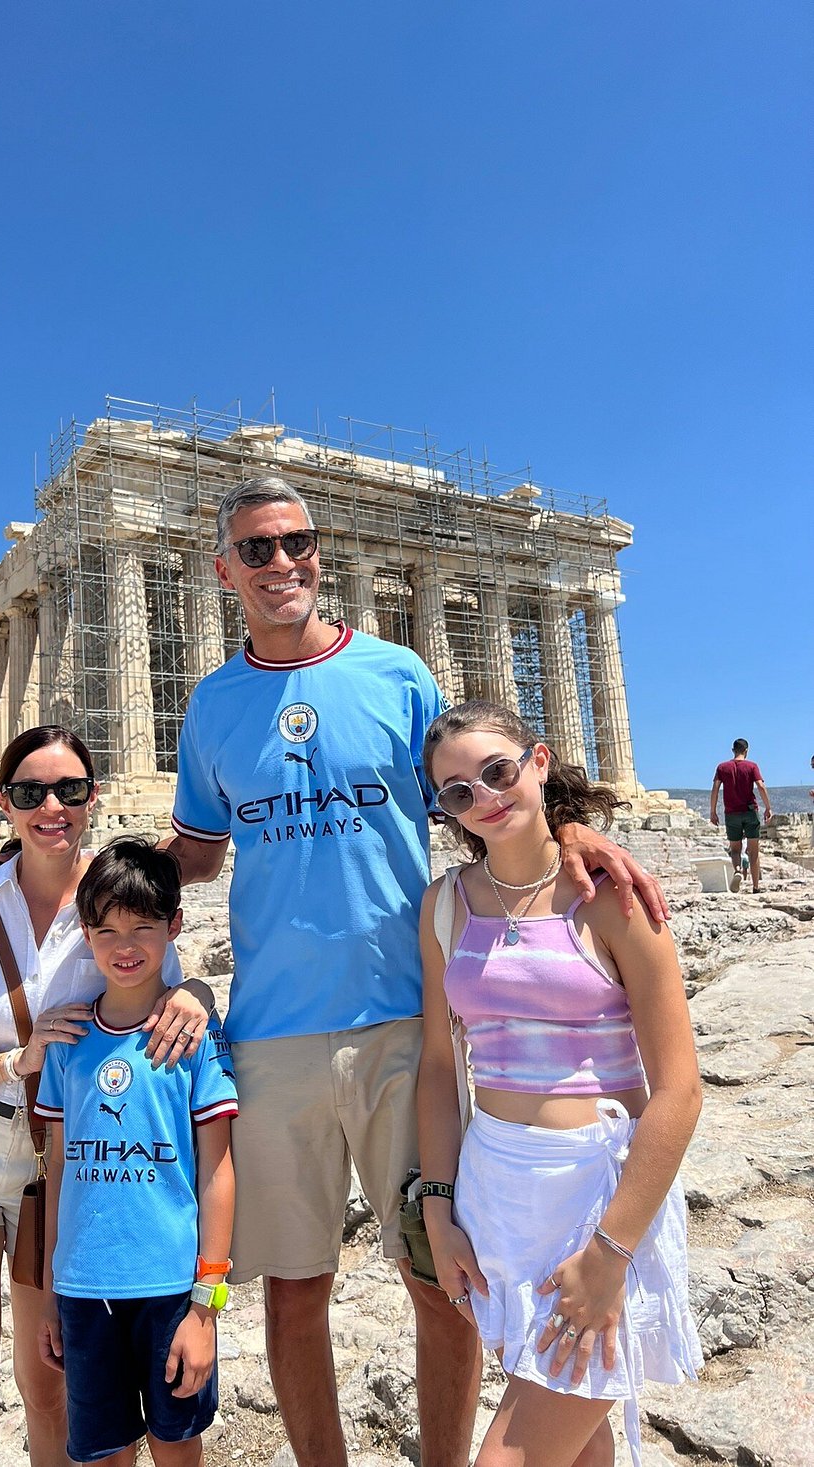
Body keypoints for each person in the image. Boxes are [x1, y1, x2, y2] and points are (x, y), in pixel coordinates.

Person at [162, 475, 671, 1467]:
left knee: (441, 1275)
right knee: (294, 1289)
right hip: (270, 1032)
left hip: (407, 1021)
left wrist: (570, 831)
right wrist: (134, 938)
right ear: (223, 571)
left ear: (318, 550)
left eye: (295, 542)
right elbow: (193, 854)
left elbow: (481, 782)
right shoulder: (212, 706)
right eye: (256, 550)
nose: (280, 564)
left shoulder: (396, 674)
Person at [0, 726, 216, 1467]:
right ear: (5, 802)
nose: (51, 806)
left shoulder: (117, 893)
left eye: (69, 789)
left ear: (92, 796)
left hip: (62, 1163)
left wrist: (196, 989)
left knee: (51, 1389)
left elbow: (169, 976)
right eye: (31, 791)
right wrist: (15, 1059)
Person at [417, 699, 702, 1467]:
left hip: (599, 1200)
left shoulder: (611, 897)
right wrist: (439, 1212)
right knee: (579, 1447)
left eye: (498, 771)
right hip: (499, 1198)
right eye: (457, 791)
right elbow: (442, 1069)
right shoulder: (443, 905)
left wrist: (612, 1250)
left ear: (538, 762)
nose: (485, 796)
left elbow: (681, 1089)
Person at [35, 839, 237, 1466]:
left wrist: (208, 1305)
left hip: (173, 1286)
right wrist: (47, 1294)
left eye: (143, 927)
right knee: (102, 1449)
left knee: (176, 1443)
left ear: (174, 926)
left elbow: (218, 1170)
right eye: (107, 930)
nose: (125, 946)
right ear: (86, 934)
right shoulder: (67, 1040)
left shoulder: (194, 1040)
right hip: (82, 1284)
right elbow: (59, 1172)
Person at [709, 739, 772, 893]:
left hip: (731, 813)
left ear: (733, 750)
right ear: (747, 750)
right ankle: (756, 886)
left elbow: (715, 789)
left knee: (735, 849)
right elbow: (761, 786)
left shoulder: (722, 767)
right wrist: (768, 807)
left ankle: (737, 870)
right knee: (753, 851)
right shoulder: (752, 766)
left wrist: (713, 811)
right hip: (750, 812)